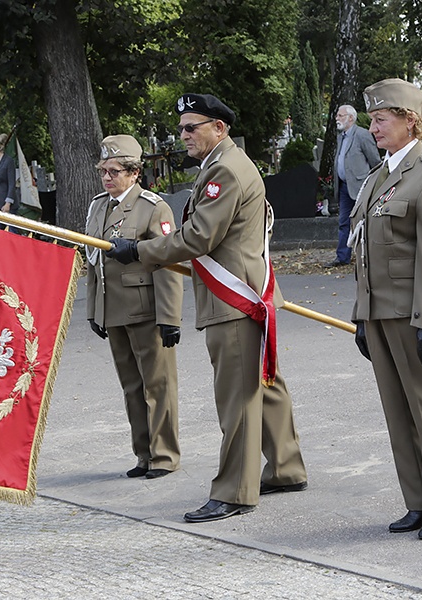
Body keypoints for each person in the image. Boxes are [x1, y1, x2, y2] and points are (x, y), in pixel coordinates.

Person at [106, 93, 308, 523]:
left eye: (191, 126)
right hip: (243, 294)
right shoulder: (223, 166)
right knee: (263, 384)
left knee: (237, 396)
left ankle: (235, 491)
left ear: (219, 127)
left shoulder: (225, 171)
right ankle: (286, 468)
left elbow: (198, 236)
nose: (184, 135)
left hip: (233, 298)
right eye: (181, 128)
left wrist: (140, 251)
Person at [350, 78, 422, 540]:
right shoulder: (379, 176)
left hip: (416, 317)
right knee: (398, 410)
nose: (373, 127)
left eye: (381, 119)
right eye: (373, 119)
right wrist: (363, 315)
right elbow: (365, 253)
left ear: (410, 122)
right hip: (380, 314)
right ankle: (418, 501)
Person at [85, 134, 183, 479]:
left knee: (157, 385)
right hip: (113, 310)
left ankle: (164, 455)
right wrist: (94, 310)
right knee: (131, 386)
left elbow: (168, 262)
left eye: (115, 171)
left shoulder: (153, 207)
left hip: (145, 309)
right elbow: (94, 260)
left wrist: (170, 317)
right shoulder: (99, 206)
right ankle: (143, 454)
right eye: (104, 171)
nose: (108, 178)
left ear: (134, 173)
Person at [326, 104, 380, 267]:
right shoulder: (341, 136)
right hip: (344, 186)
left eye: (341, 115)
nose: (337, 118)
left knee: (364, 221)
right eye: (337, 115)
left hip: (361, 186)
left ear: (351, 118)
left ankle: (369, 255)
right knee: (343, 222)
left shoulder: (362, 135)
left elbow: (375, 161)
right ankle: (342, 257)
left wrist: (375, 183)